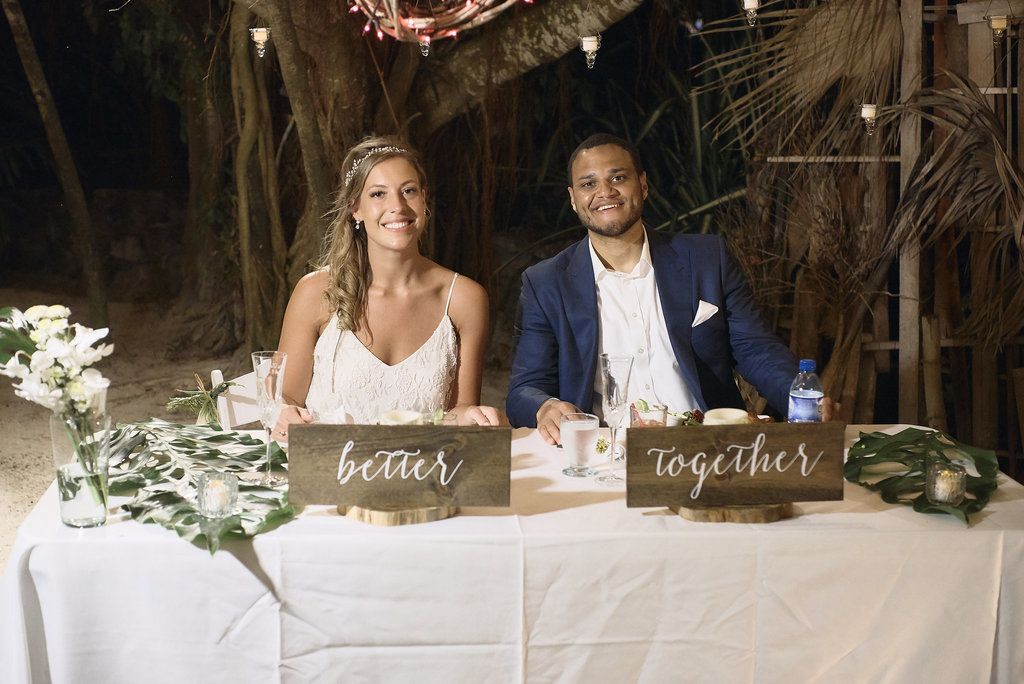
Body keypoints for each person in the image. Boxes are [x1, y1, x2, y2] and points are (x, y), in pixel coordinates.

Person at [506, 133, 838, 444]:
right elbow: (525, 388)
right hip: (605, 451)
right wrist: (545, 405)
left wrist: (801, 396)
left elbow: (755, 349)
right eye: (588, 184)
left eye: (618, 178)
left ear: (643, 184)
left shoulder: (707, 259)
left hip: (705, 444)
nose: (605, 191)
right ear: (574, 200)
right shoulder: (546, 283)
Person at [273, 136, 505, 437]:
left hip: (419, 472)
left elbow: (457, 412)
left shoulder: (464, 298)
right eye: (378, 194)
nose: (397, 206)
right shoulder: (315, 292)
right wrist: (285, 413)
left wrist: (476, 416)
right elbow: (285, 398)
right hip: (327, 471)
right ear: (355, 209)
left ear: (424, 199)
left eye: (408, 191)